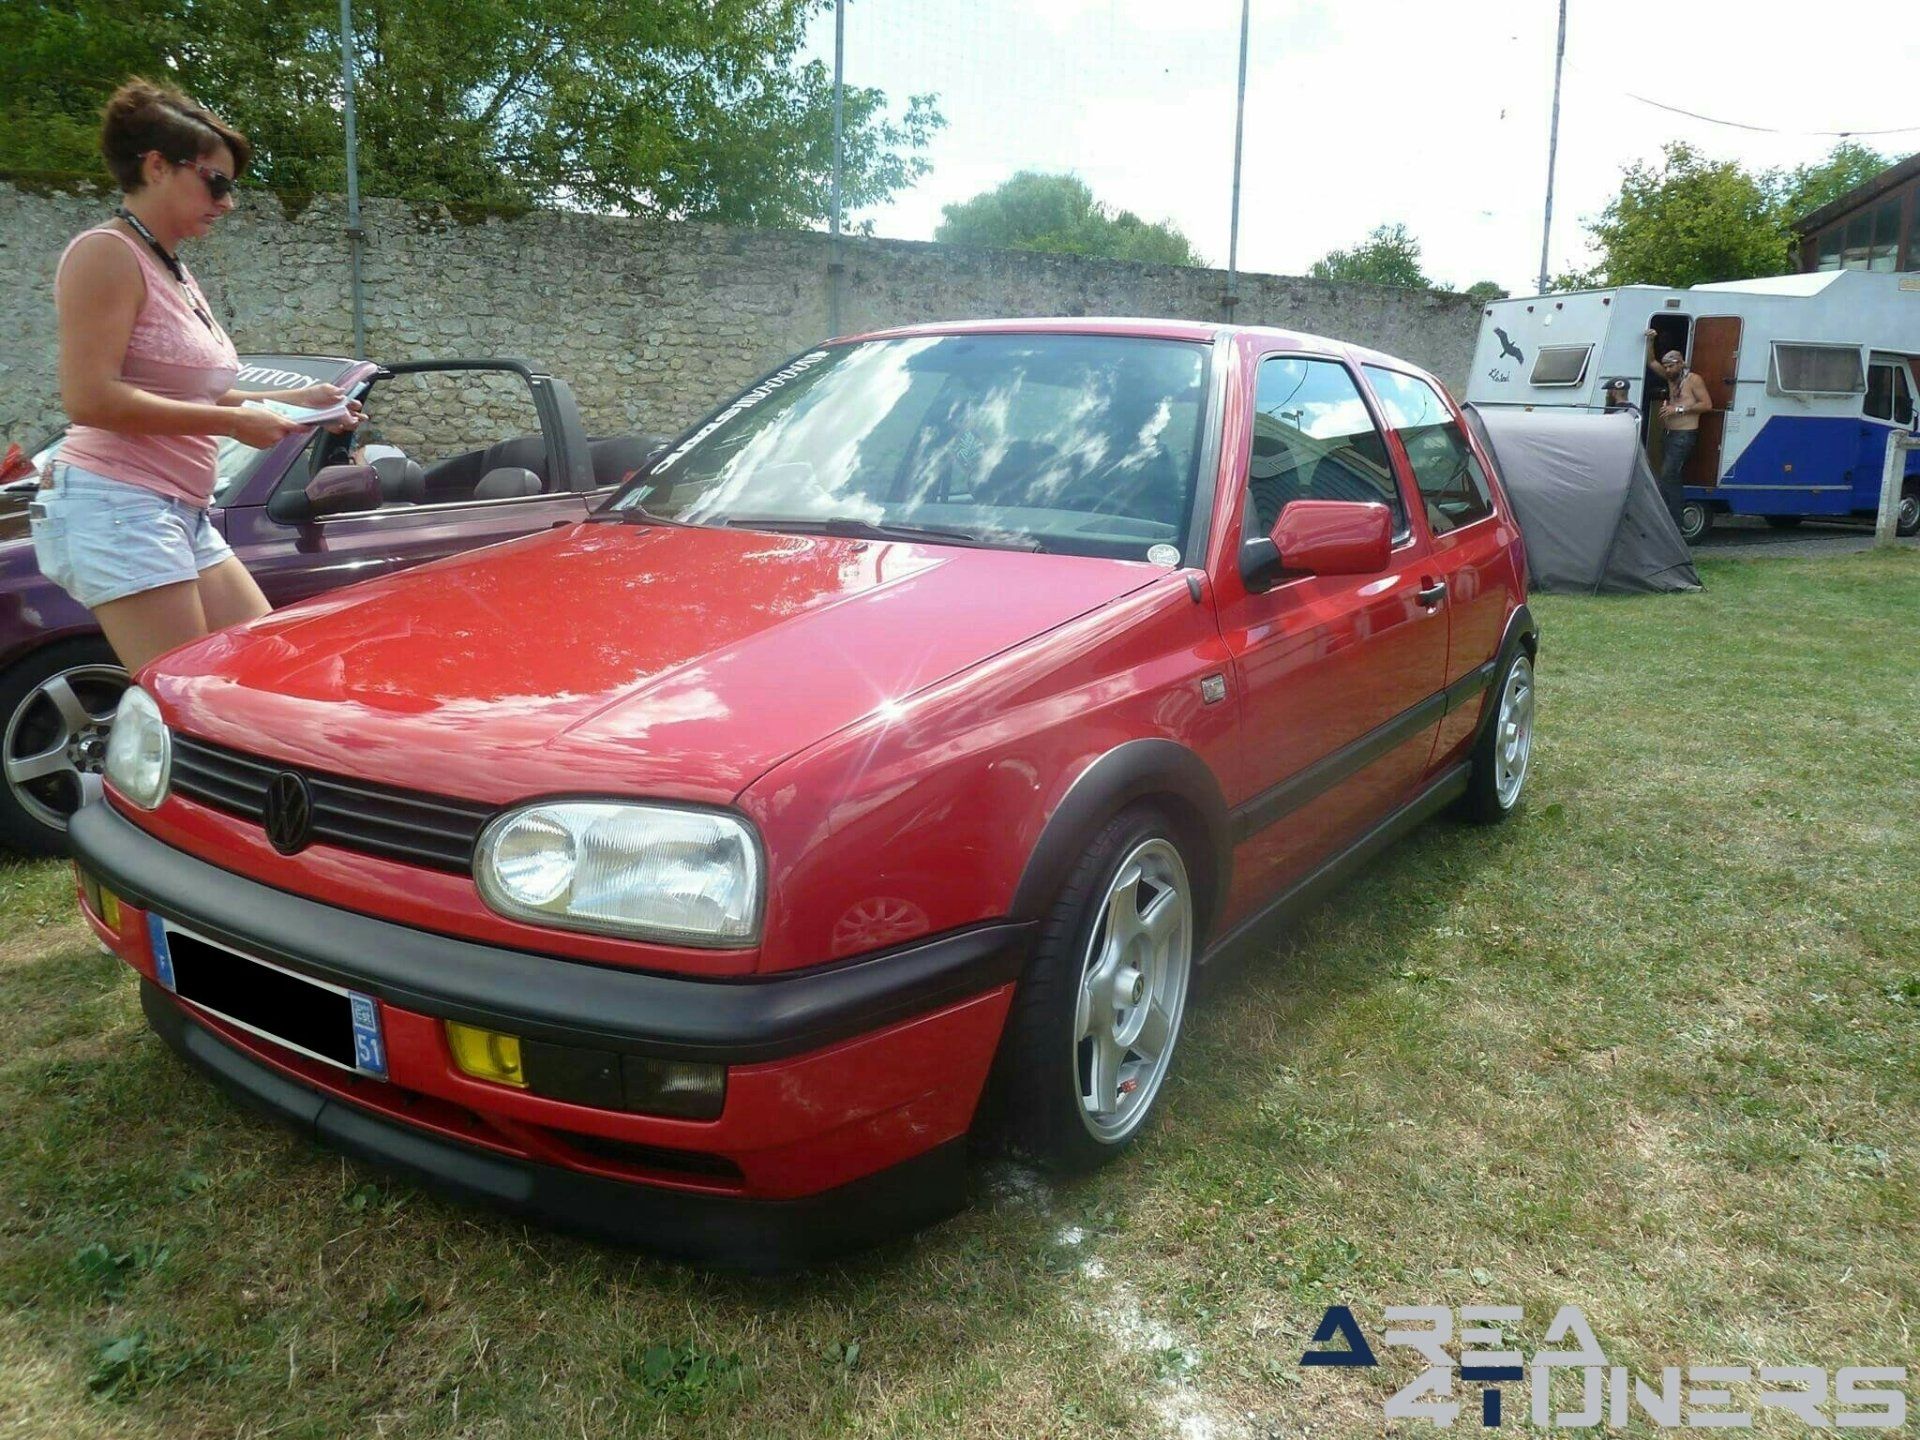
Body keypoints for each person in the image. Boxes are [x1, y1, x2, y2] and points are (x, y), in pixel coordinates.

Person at [31, 78, 359, 677]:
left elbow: (193, 389)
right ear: (157, 166)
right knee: (186, 697)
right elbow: (90, 398)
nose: (228, 203)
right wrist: (233, 422)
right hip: (118, 503)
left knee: (265, 666)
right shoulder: (106, 254)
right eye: (217, 182)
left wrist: (297, 400)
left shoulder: (170, 266)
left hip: (177, 507)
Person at [1645, 329, 1710, 502]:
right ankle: (1667, 511)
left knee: (1668, 473)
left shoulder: (1693, 380)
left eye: (1671, 366)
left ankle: (1675, 517)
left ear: (1681, 364)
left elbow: (1707, 405)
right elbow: (1651, 362)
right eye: (1666, 366)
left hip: (1684, 435)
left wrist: (1678, 409)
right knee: (1664, 474)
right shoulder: (1670, 378)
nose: (1668, 369)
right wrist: (1651, 341)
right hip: (1669, 433)